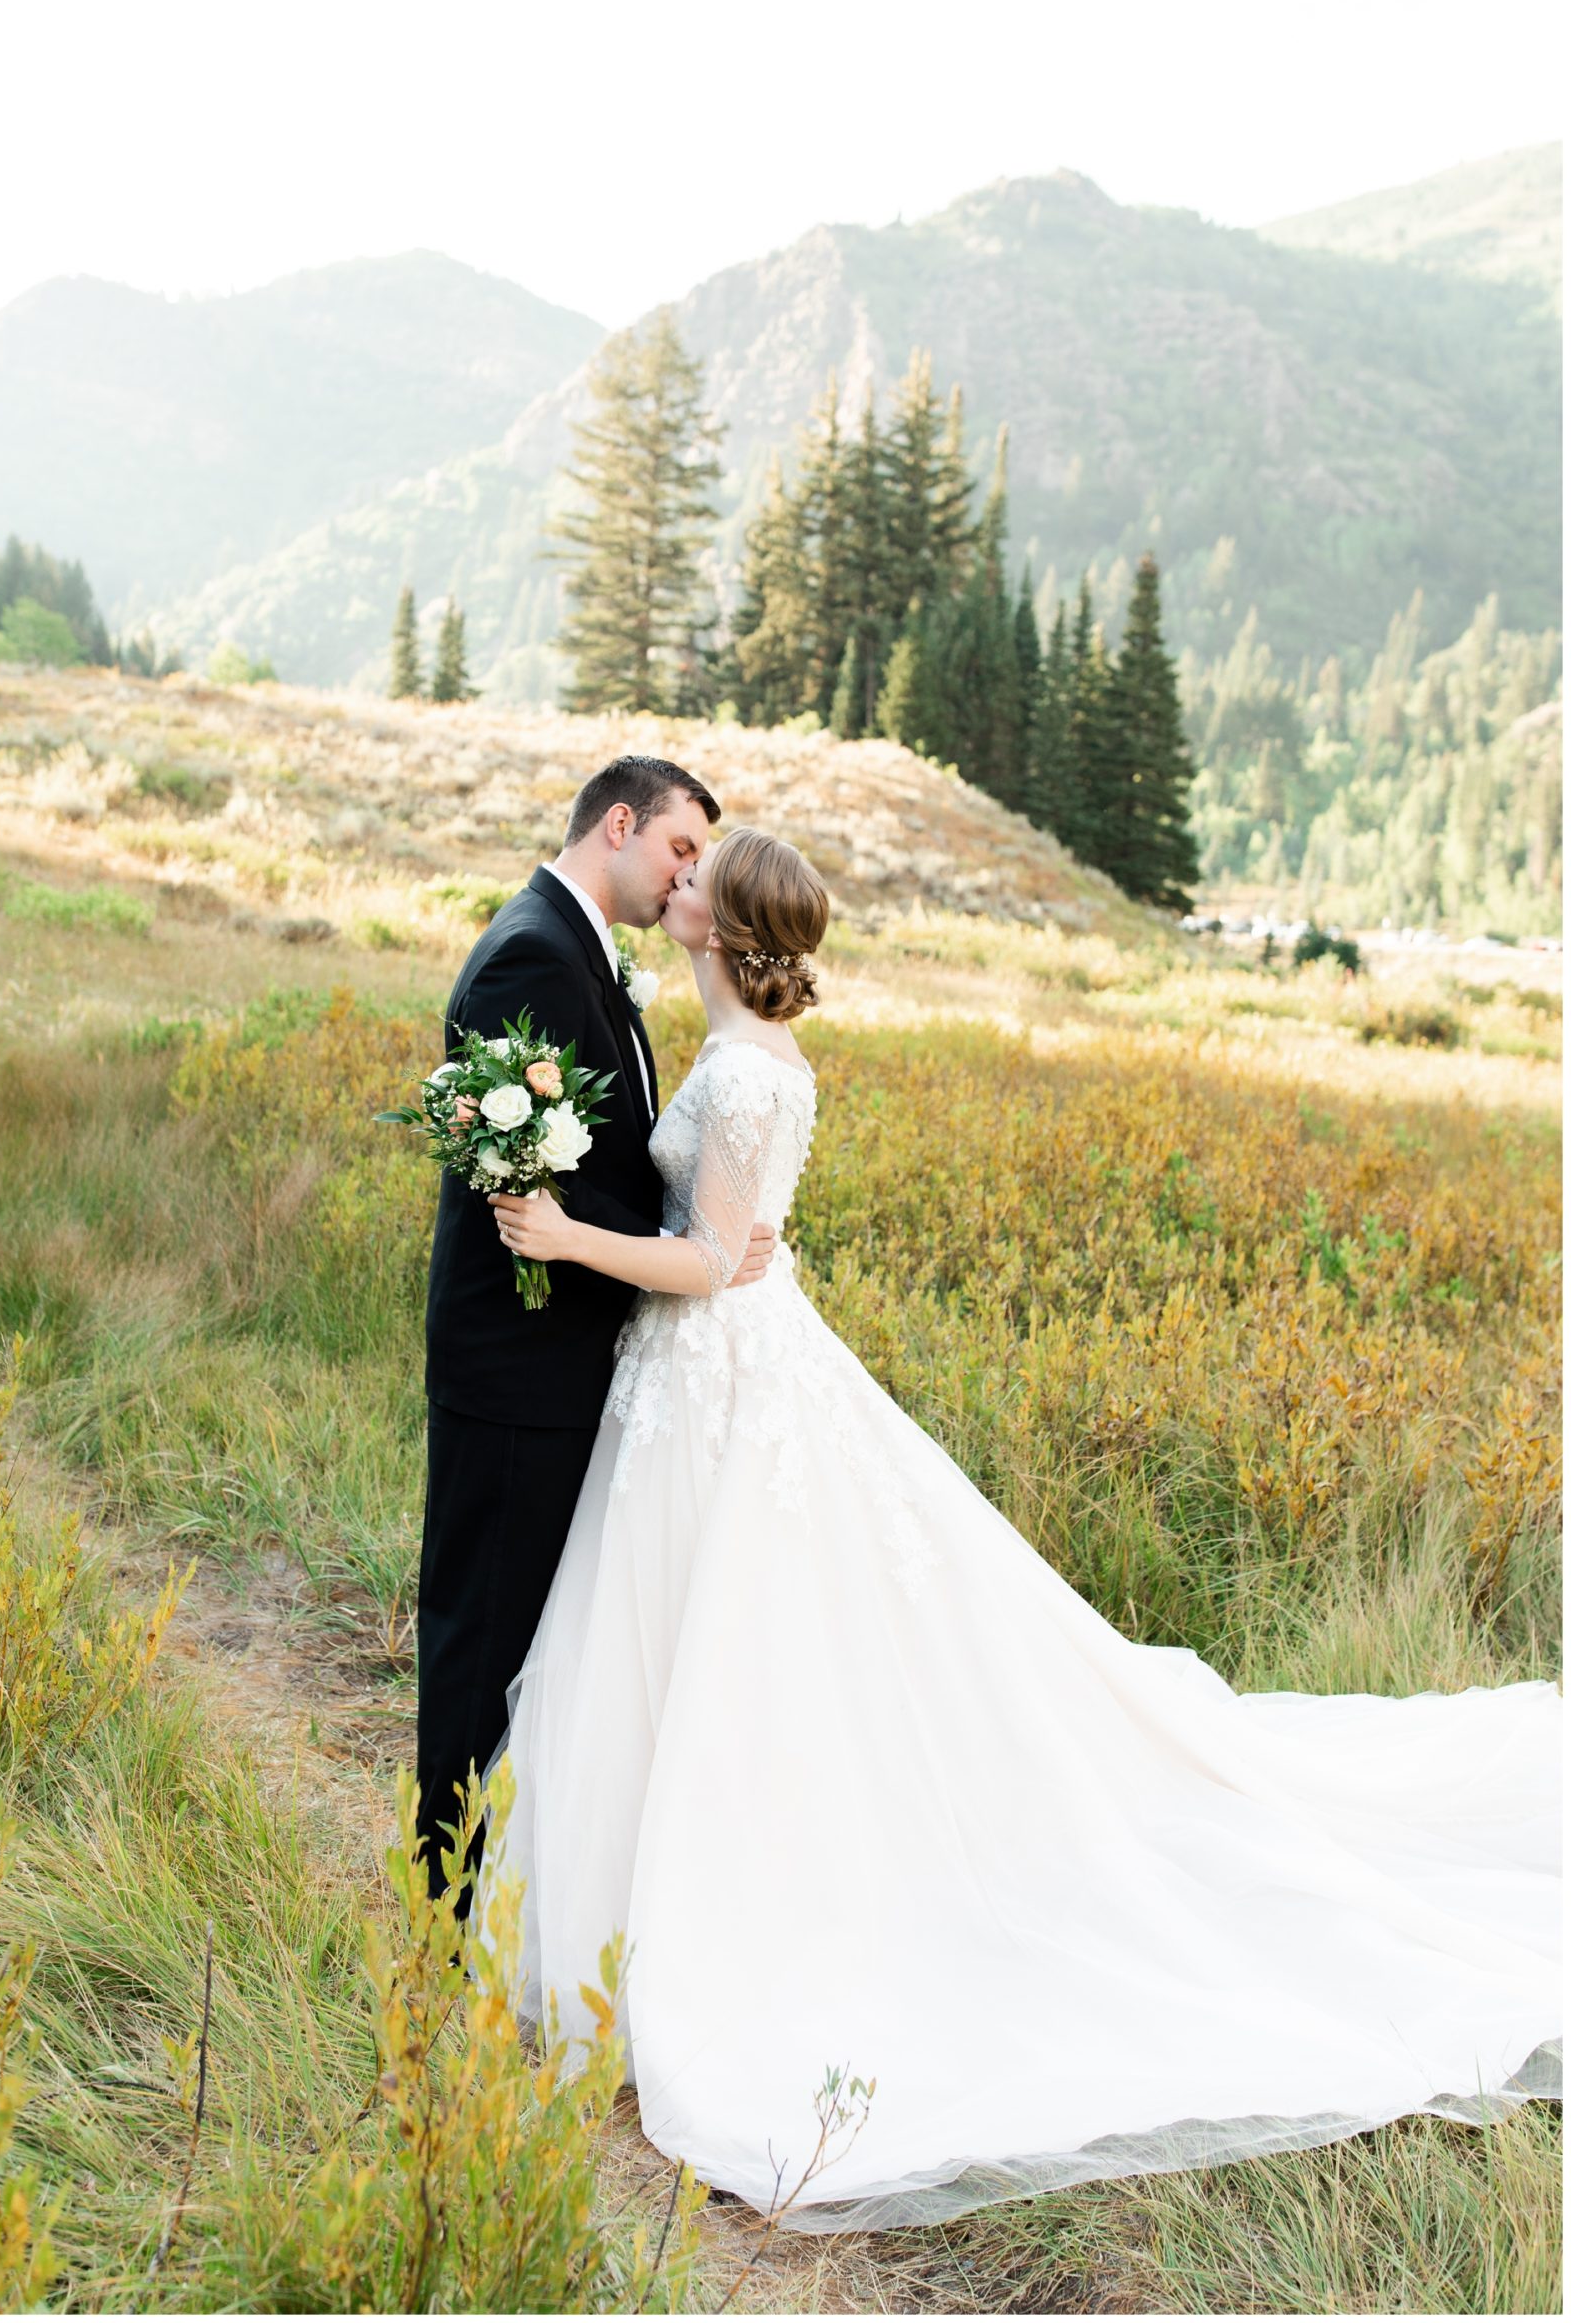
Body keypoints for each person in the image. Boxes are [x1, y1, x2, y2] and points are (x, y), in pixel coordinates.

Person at [482, 824, 1561, 2232]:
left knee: (733, 1651)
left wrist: (566, 1237)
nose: (671, 880)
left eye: (694, 874)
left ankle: (718, 1924)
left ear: (724, 926)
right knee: (683, 1640)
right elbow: (724, 1236)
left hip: (726, 1386)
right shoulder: (734, 1047)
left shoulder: (749, 1072)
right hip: (704, 1389)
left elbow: (705, 1264)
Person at [417, 756, 778, 1898]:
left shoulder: (584, 951)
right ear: (617, 824)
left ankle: (511, 1893)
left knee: (541, 1642)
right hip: (516, 1364)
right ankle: (446, 1904)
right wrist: (703, 1253)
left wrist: (706, 1245)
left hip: (579, 1358)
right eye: (678, 847)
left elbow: (593, 1165)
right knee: (481, 1639)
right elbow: (529, 1186)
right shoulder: (535, 947)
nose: (686, 874)